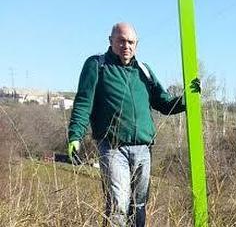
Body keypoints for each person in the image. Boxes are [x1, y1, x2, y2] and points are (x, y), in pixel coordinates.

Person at [67, 22, 199, 227]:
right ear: (110, 41)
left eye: (130, 42)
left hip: (144, 148)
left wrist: (188, 99)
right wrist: (75, 136)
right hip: (113, 148)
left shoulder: (143, 70)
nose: (126, 46)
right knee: (118, 203)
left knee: (138, 205)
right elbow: (84, 102)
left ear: (136, 44)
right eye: (121, 41)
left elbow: (164, 103)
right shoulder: (97, 65)